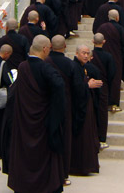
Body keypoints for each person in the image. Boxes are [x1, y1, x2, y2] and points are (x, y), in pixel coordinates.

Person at [8, 35, 66, 193]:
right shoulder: (46, 68)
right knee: (43, 155)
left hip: (24, 119)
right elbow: (59, 86)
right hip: (42, 121)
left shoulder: (22, 67)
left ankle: (23, 185)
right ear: (45, 49)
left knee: (25, 154)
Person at [46, 35, 75, 187]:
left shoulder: (45, 63)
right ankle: (62, 174)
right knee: (64, 139)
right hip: (65, 105)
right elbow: (77, 87)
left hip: (46, 106)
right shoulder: (70, 64)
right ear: (65, 46)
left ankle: (48, 173)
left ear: (50, 46)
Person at [69, 44, 102, 176]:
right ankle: (78, 167)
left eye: (88, 53)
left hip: (86, 106)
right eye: (83, 53)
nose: (86, 56)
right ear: (77, 53)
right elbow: (75, 87)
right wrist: (87, 85)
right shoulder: (74, 67)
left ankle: (87, 165)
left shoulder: (84, 68)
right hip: (78, 109)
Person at [95, 9, 124, 113]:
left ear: (108, 17)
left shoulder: (101, 27)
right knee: (115, 79)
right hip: (116, 57)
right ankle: (113, 104)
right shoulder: (120, 29)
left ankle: (101, 102)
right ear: (117, 18)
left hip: (100, 57)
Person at [90, 33, 115, 149]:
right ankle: (101, 139)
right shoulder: (108, 56)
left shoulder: (89, 55)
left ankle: (92, 137)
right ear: (104, 42)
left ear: (92, 41)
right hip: (103, 87)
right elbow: (112, 73)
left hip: (90, 87)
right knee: (102, 113)